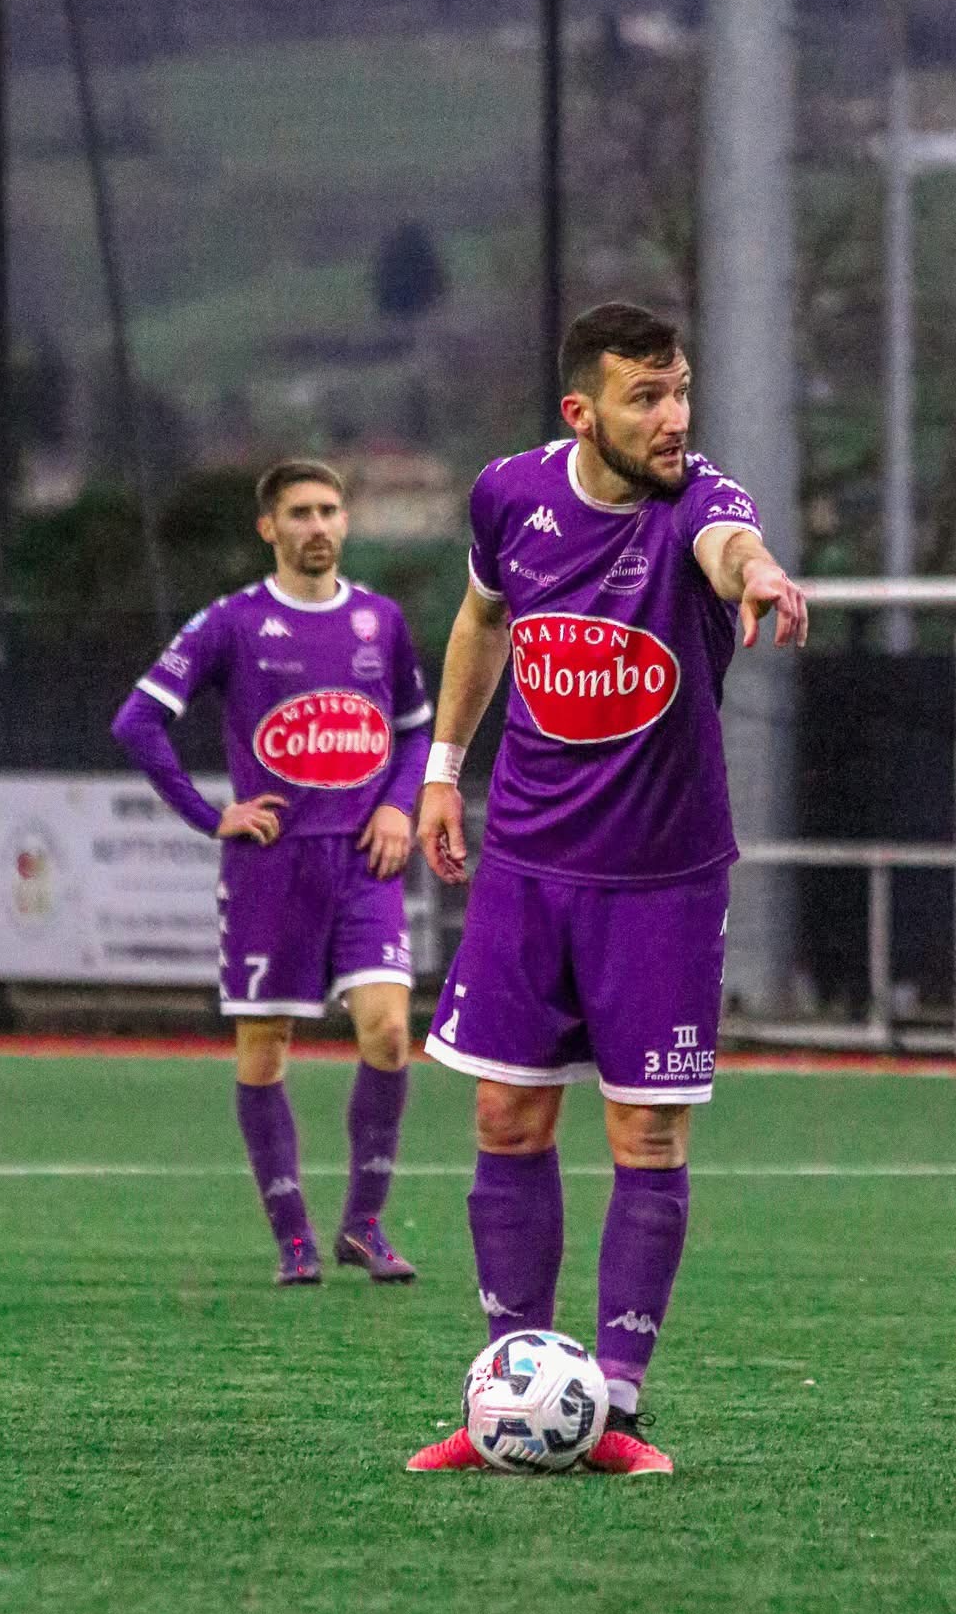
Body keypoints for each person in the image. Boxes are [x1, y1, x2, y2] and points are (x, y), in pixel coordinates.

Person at [405, 301, 807, 1475]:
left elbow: (732, 547)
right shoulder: (509, 494)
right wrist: (441, 769)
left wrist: (762, 573)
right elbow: (483, 618)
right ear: (582, 411)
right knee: (505, 1115)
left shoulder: (700, 501)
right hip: (528, 866)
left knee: (647, 1129)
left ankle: (614, 1408)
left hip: (662, 879)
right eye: (647, 397)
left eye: (680, 390)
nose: (673, 417)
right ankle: (508, 1395)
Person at [111, 459, 432, 1285]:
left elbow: (414, 731)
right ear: (269, 528)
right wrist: (209, 813)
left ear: (345, 521)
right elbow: (137, 721)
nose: (317, 525)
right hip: (272, 868)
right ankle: (293, 1237)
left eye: (329, 510)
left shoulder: (381, 620)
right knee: (264, 1050)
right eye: (299, 513)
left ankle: (364, 1225)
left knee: (389, 1032)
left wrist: (399, 807)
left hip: (363, 858)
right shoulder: (232, 623)